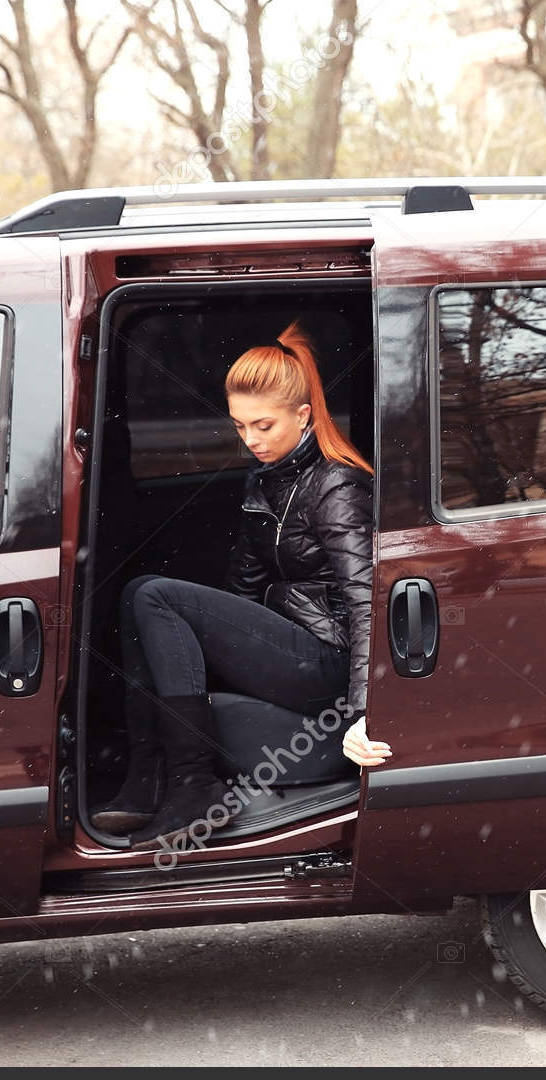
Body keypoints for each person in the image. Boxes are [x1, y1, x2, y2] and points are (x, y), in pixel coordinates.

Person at [91, 321, 392, 848]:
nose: (251, 440)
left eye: (264, 425)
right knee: (139, 593)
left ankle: (192, 783)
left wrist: (367, 711)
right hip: (291, 644)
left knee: (156, 594)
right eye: (240, 426)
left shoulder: (336, 485)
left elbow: (369, 600)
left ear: (303, 416)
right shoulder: (265, 481)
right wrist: (196, 654)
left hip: (328, 659)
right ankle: (150, 775)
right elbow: (242, 593)